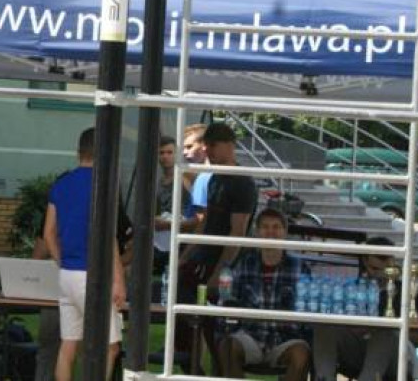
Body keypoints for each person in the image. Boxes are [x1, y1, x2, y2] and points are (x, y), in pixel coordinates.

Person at [43, 128, 126, 381]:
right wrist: (119, 280)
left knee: (68, 346)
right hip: (93, 277)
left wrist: (62, 261)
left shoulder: (61, 183)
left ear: (79, 152)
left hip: (68, 274)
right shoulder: (105, 185)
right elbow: (108, 237)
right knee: (110, 348)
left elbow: (48, 234)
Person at [176, 123, 256, 370]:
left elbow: (237, 232)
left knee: (218, 329)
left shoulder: (241, 182)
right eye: (207, 144)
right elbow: (206, 223)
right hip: (205, 259)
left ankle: (215, 370)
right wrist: (185, 257)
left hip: (225, 266)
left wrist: (219, 272)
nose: (208, 150)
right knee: (187, 310)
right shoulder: (214, 179)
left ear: (229, 145)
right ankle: (192, 364)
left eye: (213, 145)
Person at [214, 208, 310, 381]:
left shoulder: (300, 267)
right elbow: (227, 300)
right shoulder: (243, 264)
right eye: (265, 227)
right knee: (227, 346)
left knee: (301, 354)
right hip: (250, 335)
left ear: (285, 232)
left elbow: (310, 307)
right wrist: (226, 332)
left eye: (276, 227)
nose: (270, 232)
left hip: (286, 338)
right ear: (257, 232)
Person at [312, 236, 415, 381]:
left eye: (385, 268)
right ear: (365, 262)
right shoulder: (353, 288)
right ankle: (324, 378)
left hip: (396, 354)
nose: (378, 274)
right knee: (324, 326)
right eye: (374, 268)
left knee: (385, 333)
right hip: (360, 350)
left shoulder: (407, 291)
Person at [153, 135, 195, 272]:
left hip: (179, 238)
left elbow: (197, 217)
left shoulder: (185, 178)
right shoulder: (159, 182)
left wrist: (168, 224)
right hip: (161, 237)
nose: (165, 156)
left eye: (169, 152)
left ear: (177, 154)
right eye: (161, 153)